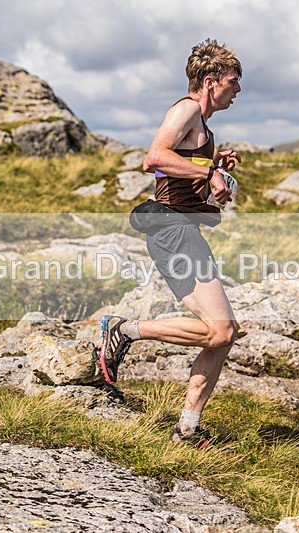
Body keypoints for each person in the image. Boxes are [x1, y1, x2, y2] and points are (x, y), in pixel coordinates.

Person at [98, 39, 242, 448]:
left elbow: (183, 172)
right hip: (171, 231)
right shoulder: (187, 108)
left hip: (183, 230)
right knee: (221, 330)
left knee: (224, 333)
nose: (237, 92)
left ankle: (188, 428)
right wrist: (210, 168)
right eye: (233, 83)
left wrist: (215, 174)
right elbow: (155, 158)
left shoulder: (204, 125)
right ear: (210, 81)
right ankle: (124, 330)